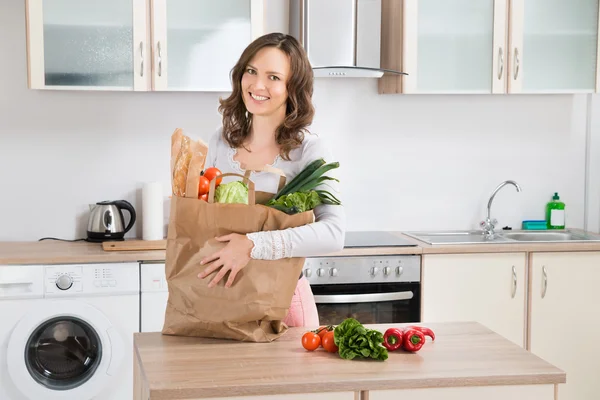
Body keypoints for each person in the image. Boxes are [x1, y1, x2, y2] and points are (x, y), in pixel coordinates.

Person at [196, 32, 346, 327]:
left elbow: (334, 233)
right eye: (251, 71)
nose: (257, 85)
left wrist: (252, 245)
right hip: (222, 301)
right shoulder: (221, 140)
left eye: (273, 77)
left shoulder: (309, 150)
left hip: (283, 303)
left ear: (293, 88)